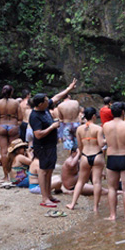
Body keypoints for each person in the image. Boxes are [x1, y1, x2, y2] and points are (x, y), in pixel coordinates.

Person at [29, 79, 78, 208]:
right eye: (46, 101)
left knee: (49, 170)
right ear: (40, 104)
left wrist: (69, 88)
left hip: (51, 145)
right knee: (43, 171)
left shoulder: (44, 108)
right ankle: (44, 198)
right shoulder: (35, 116)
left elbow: (56, 97)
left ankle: (49, 195)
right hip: (42, 146)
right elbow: (38, 134)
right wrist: (52, 127)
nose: (49, 102)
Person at [67, 107, 105, 213]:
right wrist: (108, 140)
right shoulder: (98, 128)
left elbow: (79, 145)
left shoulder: (79, 129)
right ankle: (95, 207)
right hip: (97, 155)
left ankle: (72, 204)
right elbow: (101, 144)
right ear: (93, 116)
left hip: (85, 156)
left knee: (80, 181)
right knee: (97, 182)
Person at [0, 85, 22, 181]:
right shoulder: (16, 103)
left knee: (3, 151)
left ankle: (5, 176)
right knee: (13, 150)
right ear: (11, 92)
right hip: (13, 126)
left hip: (1, 126)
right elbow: (20, 118)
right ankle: (13, 174)